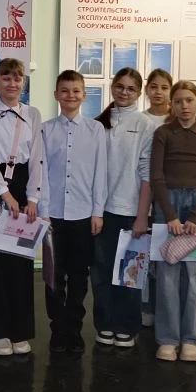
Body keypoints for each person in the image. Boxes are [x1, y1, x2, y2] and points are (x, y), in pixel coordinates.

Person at [0, 58, 44, 357]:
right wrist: (5, 194)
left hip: (24, 186)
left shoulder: (33, 114)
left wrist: (33, 198)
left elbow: (38, 157)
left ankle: (19, 331)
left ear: (23, 82)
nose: (12, 84)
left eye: (17, 78)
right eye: (6, 78)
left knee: (20, 263)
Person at [150, 81, 196, 363]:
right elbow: (156, 176)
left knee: (193, 276)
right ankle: (168, 339)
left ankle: (190, 339)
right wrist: (170, 215)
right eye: (178, 101)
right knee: (166, 274)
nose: (184, 106)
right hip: (167, 204)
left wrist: (195, 216)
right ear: (172, 104)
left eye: (189, 100)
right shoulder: (163, 133)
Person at [39, 70, 106, 354]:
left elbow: (100, 172)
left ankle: (74, 330)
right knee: (54, 276)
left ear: (84, 95)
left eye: (76, 90)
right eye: (64, 90)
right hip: (52, 214)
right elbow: (40, 174)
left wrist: (97, 211)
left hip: (82, 214)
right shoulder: (44, 129)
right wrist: (43, 211)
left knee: (79, 275)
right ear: (56, 95)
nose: (70, 95)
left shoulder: (95, 130)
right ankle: (57, 329)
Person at [91, 69, 154, 349]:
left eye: (131, 88)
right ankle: (105, 324)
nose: (124, 92)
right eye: (120, 86)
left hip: (132, 211)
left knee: (130, 274)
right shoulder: (98, 123)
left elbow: (147, 173)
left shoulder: (145, 124)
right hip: (101, 210)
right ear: (112, 87)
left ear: (139, 92)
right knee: (102, 273)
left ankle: (127, 326)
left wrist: (142, 216)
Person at [141, 68, 172, 329]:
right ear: (146, 90)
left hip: (170, 196)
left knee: (166, 255)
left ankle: (166, 309)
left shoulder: (178, 119)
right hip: (143, 195)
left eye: (164, 87)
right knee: (144, 254)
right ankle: (146, 307)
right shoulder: (140, 120)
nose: (158, 92)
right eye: (154, 87)